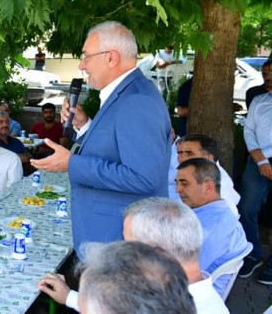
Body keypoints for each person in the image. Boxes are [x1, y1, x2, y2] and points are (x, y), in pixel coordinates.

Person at [30, 21, 171, 255]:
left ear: (111, 58)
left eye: (86, 56)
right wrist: (85, 126)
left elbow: (143, 177)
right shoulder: (127, 92)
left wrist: (72, 164)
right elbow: (114, 148)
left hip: (120, 243)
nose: (81, 65)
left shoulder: (137, 100)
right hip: (108, 236)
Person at [39, 197, 228, 314]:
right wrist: (71, 297)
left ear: (155, 251)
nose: (120, 249)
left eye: (127, 242)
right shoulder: (167, 291)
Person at [175, 158, 248, 296]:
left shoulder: (209, 227)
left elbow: (183, 275)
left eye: (184, 183)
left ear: (208, 186)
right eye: (177, 183)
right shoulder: (220, 212)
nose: (177, 189)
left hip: (189, 298)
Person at [239, 88, 272, 283]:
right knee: (247, 208)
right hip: (258, 160)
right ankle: (253, 254)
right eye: (266, 72)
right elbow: (248, 129)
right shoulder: (259, 100)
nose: (267, 76)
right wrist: (261, 161)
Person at [173, 134, 240, 214]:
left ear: (209, 158)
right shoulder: (188, 171)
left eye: (189, 153)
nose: (181, 158)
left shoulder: (219, 182)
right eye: (180, 153)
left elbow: (228, 215)